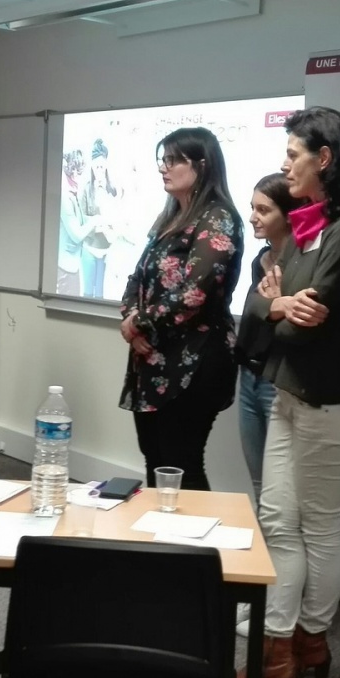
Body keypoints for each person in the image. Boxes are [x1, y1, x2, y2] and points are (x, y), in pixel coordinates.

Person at [239, 107, 340, 678]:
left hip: (329, 401)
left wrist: (276, 308)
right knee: (278, 521)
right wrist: (277, 304)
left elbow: (302, 326)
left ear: (324, 159)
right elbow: (259, 305)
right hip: (289, 393)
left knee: (319, 527)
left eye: (293, 154)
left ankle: (310, 640)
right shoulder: (308, 227)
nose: (284, 164)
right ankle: (279, 647)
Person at [118, 126, 243, 490]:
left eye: (173, 160)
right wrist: (131, 319)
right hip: (153, 357)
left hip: (196, 360)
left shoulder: (218, 217)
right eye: (163, 159)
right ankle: (160, 528)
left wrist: (140, 323)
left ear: (202, 165)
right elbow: (137, 279)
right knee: (155, 457)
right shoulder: (171, 217)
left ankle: (193, 531)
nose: (164, 167)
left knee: (181, 463)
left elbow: (196, 292)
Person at [234, 174, 304, 504]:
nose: (252, 217)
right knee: (260, 484)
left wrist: (272, 308)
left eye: (263, 210)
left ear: (288, 215)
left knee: (281, 490)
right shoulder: (259, 260)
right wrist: (269, 307)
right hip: (249, 374)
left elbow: (291, 320)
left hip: (278, 380)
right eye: (252, 208)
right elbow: (253, 315)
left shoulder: (304, 263)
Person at [80, 138, 115, 299]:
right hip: (90, 247)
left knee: (101, 294)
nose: (99, 170)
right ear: (92, 167)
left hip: (107, 249)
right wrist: (96, 226)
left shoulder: (113, 189)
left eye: (102, 166)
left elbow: (117, 217)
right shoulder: (86, 190)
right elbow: (82, 219)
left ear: (106, 166)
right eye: (96, 167)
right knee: (88, 293)